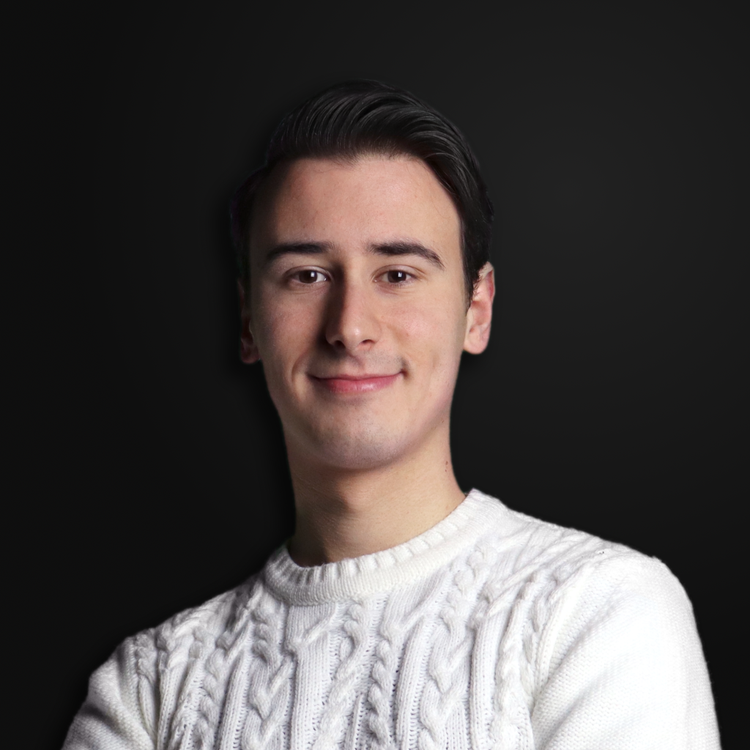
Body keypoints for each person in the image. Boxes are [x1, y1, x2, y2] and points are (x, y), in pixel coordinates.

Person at [63, 80, 720, 749]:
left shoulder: (596, 610)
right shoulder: (151, 686)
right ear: (248, 320)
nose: (350, 327)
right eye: (306, 276)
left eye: (398, 275)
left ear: (477, 310)